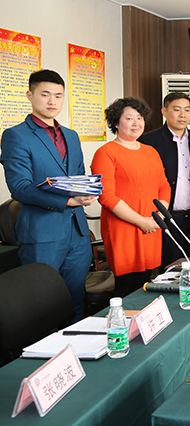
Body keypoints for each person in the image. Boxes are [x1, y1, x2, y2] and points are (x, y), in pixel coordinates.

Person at [0, 70, 96, 321]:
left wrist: (87, 192)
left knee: (75, 301)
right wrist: (68, 200)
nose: (52, 101)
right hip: (42, 234)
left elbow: (78, 176)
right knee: (40, 307)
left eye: (58, 96)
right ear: (30, 95)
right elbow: (20, 187)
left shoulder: (71, 136)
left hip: (78, 233)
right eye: (45, 95)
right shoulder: (15, 135)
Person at [91, 97, 171, 297]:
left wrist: (158, 217)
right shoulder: (106, 152)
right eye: (129, 118)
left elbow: (163, 186)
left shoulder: (151, 151)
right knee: (128, 288)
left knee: (147, 285)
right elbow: (106, 196)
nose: (136, 123)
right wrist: (142, 221)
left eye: (140, 118)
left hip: (152, 227)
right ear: (116, 123)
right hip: (125, 229)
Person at [139, 92, 190, 268]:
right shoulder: (148, 141)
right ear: (164, 112)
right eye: (177, 109)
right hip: (167, 218)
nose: (183, 115)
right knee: (170, 269)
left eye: (187, 110)